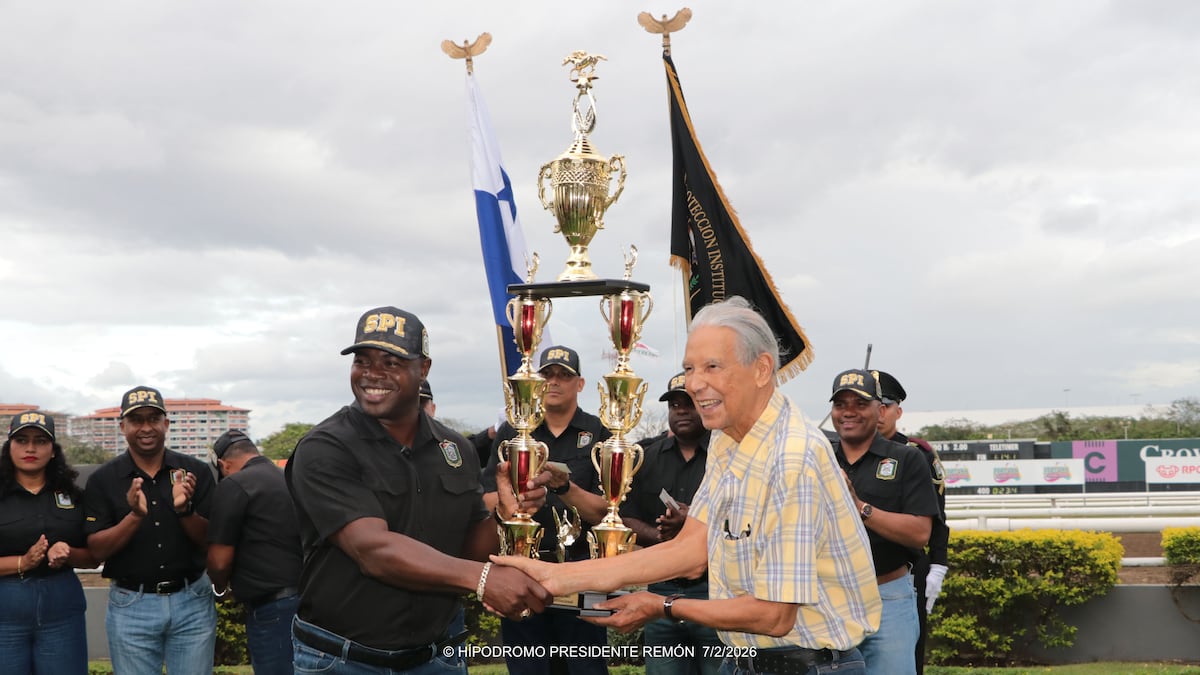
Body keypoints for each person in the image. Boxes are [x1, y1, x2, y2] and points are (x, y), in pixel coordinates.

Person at [498, 297, 881, 675]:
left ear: (762, 369)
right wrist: (553, 575)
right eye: (689, 368)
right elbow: (691, 548)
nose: (695, 384)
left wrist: (664, 605)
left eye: (712, 367)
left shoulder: (793, 457)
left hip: (808, 666)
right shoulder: (729, 439)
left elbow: (775, 614)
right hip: (752, 662)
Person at [285, 306, 553, 674]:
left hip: (436, 657)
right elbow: (373, 550)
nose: (372, 374)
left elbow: (468, 547)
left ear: (423, 369)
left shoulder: (455, 448)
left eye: (391, 363)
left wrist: (506, 514)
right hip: (344, 660)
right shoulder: (326, 447)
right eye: (362, 361)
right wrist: (483, 579)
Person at [480, 344, 611, 675]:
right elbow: (485, 499)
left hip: (583, 571)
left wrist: (563, 487)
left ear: (579, 384)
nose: (554, 382)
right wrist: (513, 500)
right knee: (529, 669)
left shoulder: (599, 432)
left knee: (587, 670)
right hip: (524, 569)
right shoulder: (514, 431)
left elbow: (607, 513)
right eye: (547, 375)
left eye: (564, 376)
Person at [83, 385, 218, 675]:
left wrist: (185, 510)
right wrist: (134, 516)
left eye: (153, 419)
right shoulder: (103, 480)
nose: (146, 427)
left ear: (166, 424)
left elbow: (210, 540)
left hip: (192, 599)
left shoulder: (195, 471)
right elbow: (97, 550)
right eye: (137, 420)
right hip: (132, 603)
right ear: (123, 426)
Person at [829, 369, 940, 675]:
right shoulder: (818, 459)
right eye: (841, 404)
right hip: (828, 599)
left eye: (859, 403)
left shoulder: (907, 458)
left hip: (887, 596)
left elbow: (920, 533)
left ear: (879, 410)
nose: (848, 412)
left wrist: (859, 507)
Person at [619, 372, 722, 675]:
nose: (680, 411)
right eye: (674, 405)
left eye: (688, 404)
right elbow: (624, 517)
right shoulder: (645, 457)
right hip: (660, 590)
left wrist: (694, 521)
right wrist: (663, 538)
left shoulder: (728, 455)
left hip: (714, 591)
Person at [0, 410, 96, 674]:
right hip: (5, 609)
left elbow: (93, 556)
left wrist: (68, 553)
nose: (30, 448)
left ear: (53, 450)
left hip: (62, 608)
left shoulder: (73, 495)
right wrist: (23, 562)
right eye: (22, 440)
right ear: (9, 447)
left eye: (41, 441)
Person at [207, 429, 303, 675]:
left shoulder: (235, 484)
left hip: (271, 607)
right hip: (307, 600)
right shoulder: (288, 479)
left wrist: (221, 588)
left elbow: (219, 561)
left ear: (223, 464)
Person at [873, 370, 949, 675]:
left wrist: (938, 566)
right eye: (870, 404)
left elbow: (938, 515)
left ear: (898, 411)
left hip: (909, 567)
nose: (877, 413)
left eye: (885, 406)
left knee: (907, 656)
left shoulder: (915, 453)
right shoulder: (840, 451)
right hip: (853, 571)